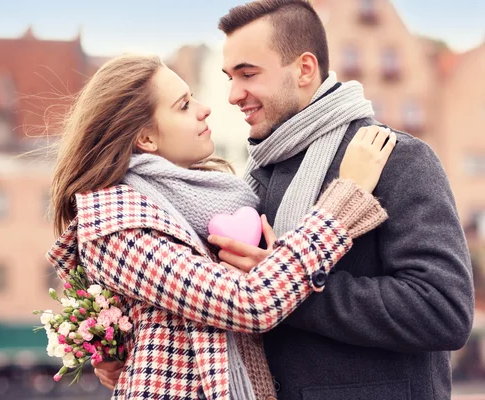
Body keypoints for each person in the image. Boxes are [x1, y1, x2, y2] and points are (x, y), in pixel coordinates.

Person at [94, 1, 475, 399]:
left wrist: (292, 289)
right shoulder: (249, 182)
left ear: (305, 69)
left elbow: (443, 310)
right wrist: (124, 346)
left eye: (248, 74)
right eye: (229, 77)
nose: (232, 95)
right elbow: (209, 303)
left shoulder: (393, 158)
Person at [46, 53, 394, 399]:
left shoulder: (199, 197)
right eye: (183, 106)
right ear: (146, 139)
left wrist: (118, 346)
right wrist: (344, 200)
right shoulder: (116, 226)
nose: (204, 108)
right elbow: (250, 303)